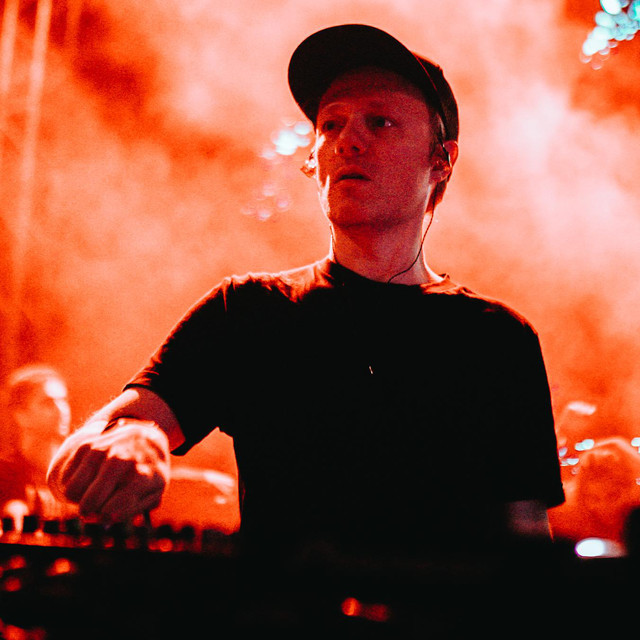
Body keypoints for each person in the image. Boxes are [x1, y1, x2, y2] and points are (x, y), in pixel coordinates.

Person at [47, 24, 564, 558]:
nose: (348, 140)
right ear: (313, 161)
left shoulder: (499, 338)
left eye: (380, 121)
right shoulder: (246, 311)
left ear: (440, 160)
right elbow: (74, 457)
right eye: (331, 124)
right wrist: (135, 436)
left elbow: (528, 543)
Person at [0, 363, 75, 529]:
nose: (62, 410)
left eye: (64, 401)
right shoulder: (4, 473)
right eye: (48, 403)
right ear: (21, 415)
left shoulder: (77, 472)